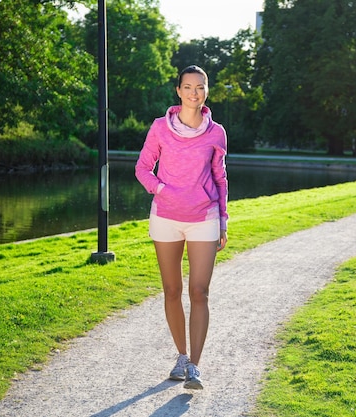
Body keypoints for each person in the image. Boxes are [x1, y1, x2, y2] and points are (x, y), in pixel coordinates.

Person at [135, 65, 228, 390]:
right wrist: (162, 190)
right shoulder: (161, 128)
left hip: (205, 218)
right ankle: (181, 356)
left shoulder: (216, 132)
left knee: (199, 292)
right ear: (178, 91)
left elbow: (220, 178)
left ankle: (195, 367)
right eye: (188, 87)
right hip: (167, 218)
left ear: (206, 90)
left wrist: (223, 220)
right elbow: (143, 168)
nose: (194, 93)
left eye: (200, 87)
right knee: (172, 291)